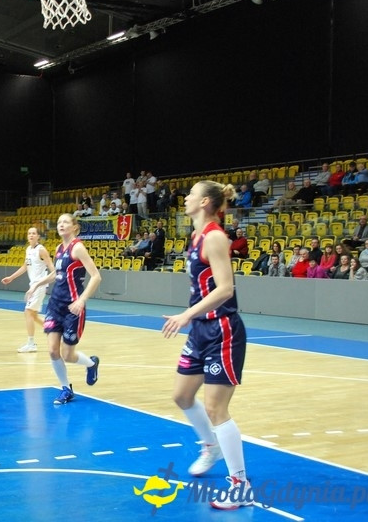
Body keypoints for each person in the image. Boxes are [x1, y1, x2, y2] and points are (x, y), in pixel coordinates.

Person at [161, 180, 251, 510]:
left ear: (204, 203)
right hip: (201, 330)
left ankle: (240, 486)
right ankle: (210, 446)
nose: (185, 197)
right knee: (182, 395)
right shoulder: (196, 236)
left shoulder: (214, 237)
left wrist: (186, 314)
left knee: (216, 408)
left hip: (222, 330)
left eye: (192, 194)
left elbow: (226, 288)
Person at [27, 213, 101, 405]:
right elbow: (57, 273)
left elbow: (96, 276)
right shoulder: (59, 248)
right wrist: (36, 284)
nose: (61, 225)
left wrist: (81, 300)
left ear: (74, 227)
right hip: (55, 304)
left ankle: (92, 364)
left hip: (73, 308)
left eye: (65, 222)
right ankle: (66, 389)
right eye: (59, 222)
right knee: (52, 350)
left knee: (68, 355)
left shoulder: (78, 248)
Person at [0, 227, 55, 353]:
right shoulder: (28, 249)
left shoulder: (41, 250)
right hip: (33, 285)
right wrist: (11, 277)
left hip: (40, 285)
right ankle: (54, 330)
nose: (31, 235)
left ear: (38, 236)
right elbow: (25, 266)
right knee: (34, 315)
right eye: (29, 233)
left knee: (28, 312)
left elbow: (52, 267)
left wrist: (53, 278)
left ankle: (31, 343)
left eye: (34, 233)